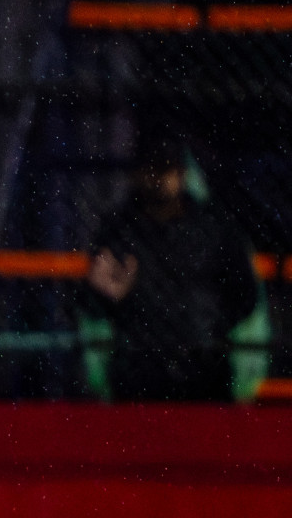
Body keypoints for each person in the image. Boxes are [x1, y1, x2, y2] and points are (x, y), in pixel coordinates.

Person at [84, 132, 258, 402]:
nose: (158, 178)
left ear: (182, 173)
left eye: (166, 168)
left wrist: (209, 326)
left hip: (204, 373)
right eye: (151, 168)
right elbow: (91, 303)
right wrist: (107, 297)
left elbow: (245, 295)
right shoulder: (118, 230)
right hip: (140, 375)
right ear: (137, 173)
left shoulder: (214, 228)